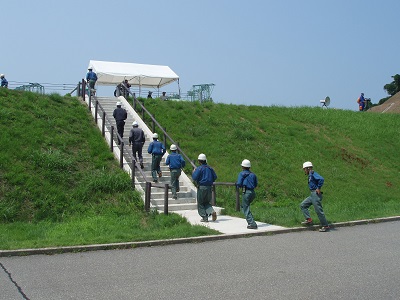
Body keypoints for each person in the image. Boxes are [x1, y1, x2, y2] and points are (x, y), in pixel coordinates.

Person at [300, 161, 330, 232]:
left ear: (307, 168)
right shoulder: (310, 175)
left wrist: (318, 188)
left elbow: (321, 179)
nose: (304, 170)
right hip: (312, 195)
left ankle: (325, 226)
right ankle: (309, 219)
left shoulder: (313, 174)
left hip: (315, 195)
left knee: (318, 211)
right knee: (303, 205)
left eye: (304, 169)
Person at [192, 153, 217, 222]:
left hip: (201, 187)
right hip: (209, 187)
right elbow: (215, 177)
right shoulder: (210, 168)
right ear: (205, 160)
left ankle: (204, 217)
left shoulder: (199, 169)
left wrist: (193, 172)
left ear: (199, 161)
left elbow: (194, 177)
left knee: (200, 203)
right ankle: (211, 211)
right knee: (206, 202)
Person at [236, 159, 258, 229]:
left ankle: (252, 223)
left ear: (242, 167)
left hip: (246, 192)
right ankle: (250, 220)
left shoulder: (241, 174)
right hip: (252, 192)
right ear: (249, 167)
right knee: (245, 206)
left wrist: (238, 185)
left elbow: (239, 183)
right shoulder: (253, 175)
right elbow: (255, 184)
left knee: (245, 207)